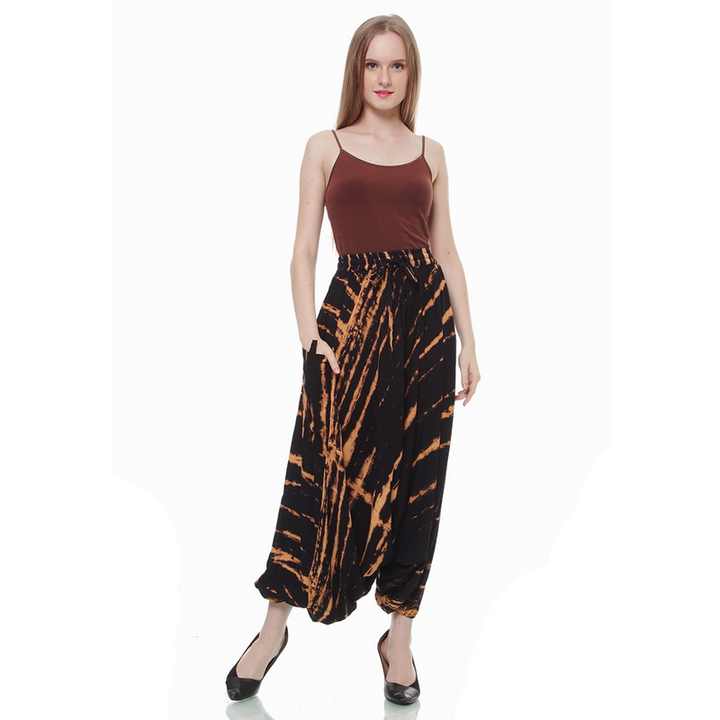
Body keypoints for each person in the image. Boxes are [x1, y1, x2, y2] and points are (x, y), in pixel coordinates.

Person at [226, 14, 480, 706]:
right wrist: (310, 335)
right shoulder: (325, 147)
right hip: (350, 323)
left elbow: (446, 251)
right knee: (317, 468)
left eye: (397, 65)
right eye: (373, 65)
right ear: (356, 72)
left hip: (426, 327)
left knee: (421, 479)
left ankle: (399, 639)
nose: (385, 78)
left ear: (411, 73)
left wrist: (469, 342)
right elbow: (304, 252)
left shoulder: (432, 153)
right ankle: (273, 627)